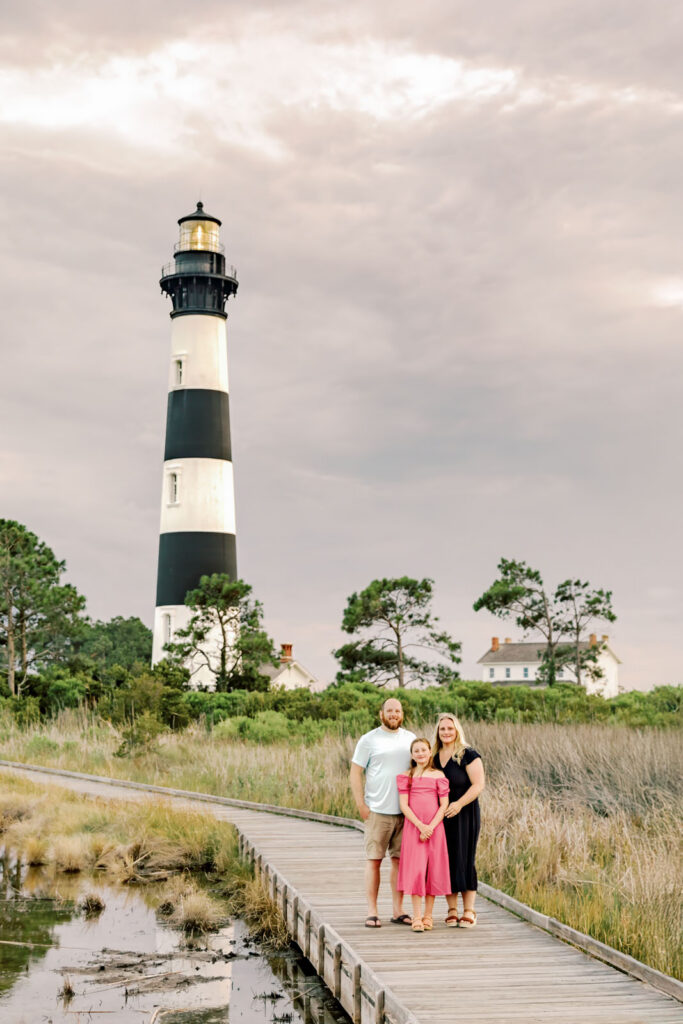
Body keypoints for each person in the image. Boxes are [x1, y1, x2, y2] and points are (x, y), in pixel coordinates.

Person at [350, 697, 416, 928]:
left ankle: (398, 910)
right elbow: (355, 772)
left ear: (402, 714)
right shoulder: (369, 739)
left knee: (398, 861)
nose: (394, 714)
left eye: (397, 710)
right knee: (374, 861)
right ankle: (372, 911)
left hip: (405, 812)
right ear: (381, 714)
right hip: (378, 810)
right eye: (389, 710)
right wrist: (361, 805)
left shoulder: (411, 739)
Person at [432, 713, 485, 928]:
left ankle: (469, 911)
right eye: (442, 728)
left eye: (450, 728)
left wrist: (459, 804)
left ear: (457, 731)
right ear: (438, 731)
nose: (446, 732)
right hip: (441, 815)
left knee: (465, 858)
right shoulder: (434, 757)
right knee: (446, 860)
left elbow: (478, 785)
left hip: (464, 813)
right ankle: (452, 910)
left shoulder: (468, 754)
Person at [396, 738, 451, 932]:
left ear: (430, 752)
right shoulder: (405, 776)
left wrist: (431, 827)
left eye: (423, 750)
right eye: (416, 751)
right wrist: (420, 826)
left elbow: (444, 804)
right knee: (417, 871)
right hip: (414, 829)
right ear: (412, 755)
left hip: (435, 828)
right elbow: (404, 805)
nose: (420, 753)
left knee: (432, 870)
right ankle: (417, 916)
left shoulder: (438, 775)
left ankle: (429, 915)